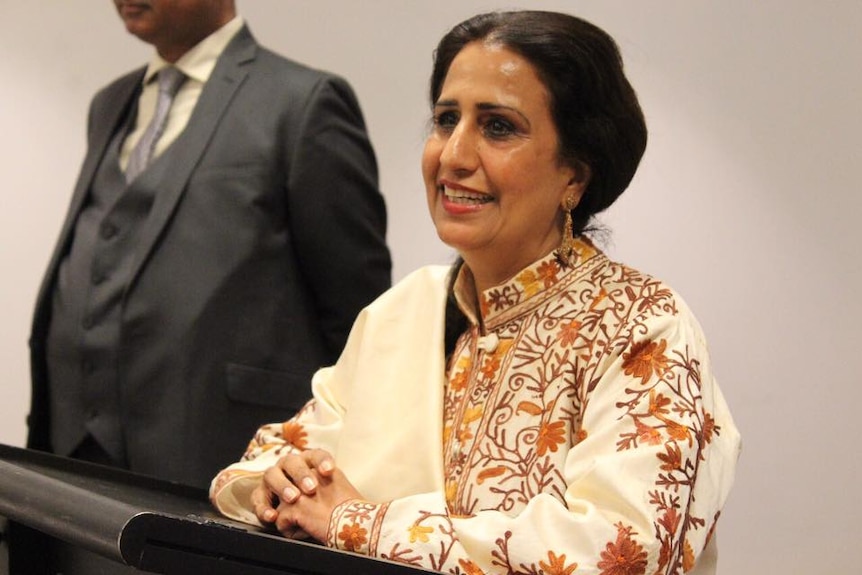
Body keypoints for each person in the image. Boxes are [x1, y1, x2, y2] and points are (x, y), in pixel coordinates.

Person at [210, 10, 741, 575]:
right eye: (445, 119)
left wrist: (354, 520)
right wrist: (286, 481)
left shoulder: (641, 325)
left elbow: (621, 551)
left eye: (498, 127)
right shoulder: (403, 312)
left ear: (575, 176)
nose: (453, 156)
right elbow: (274, 454)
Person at [26, 0, 391, 489]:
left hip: (219, 466)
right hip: (71, 461)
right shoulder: (110, 104)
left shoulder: (303, 101)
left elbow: (357, 315)